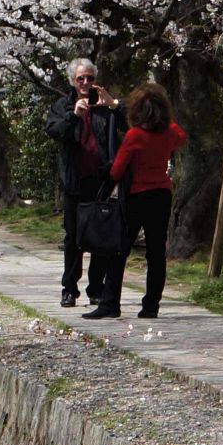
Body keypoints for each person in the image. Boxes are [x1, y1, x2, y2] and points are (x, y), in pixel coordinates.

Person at [83, 83, 185, 320]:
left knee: (119, 251)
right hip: (161, 195)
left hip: (136, 196)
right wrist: (164, 117)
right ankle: (151, 306)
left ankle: (110, 303)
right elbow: (180, 134)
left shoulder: (134, 135)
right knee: (156, 254)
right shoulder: (169, 133)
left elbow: (117, 170)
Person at [45, 59, 123, 310]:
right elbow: (54, 130)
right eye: (81, 79)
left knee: (101, 236)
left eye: (90, 78)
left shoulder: (103, 105)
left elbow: (128, 126)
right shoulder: (63, 106)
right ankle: (69, 289)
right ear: (72, 81)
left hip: (100, 180)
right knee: (73, 237)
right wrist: (74, 115)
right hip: (74, 181)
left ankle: (96, 289)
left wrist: (113, 106)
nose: (86, 83)